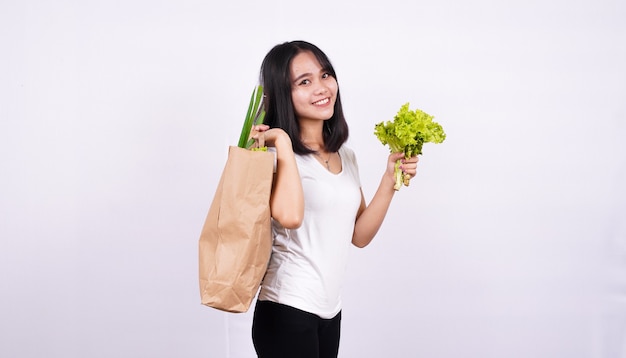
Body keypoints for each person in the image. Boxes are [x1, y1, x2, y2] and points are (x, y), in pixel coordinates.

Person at [249, 40, 418, 358]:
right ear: (284, 94)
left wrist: (389, 179)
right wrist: (284, 143)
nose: (322, 87)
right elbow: (289, 217)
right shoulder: (272, 155)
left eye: (325, 74)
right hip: (287, 308)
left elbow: (359, 235)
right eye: (304, 81)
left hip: (330, 312)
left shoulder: (345, 156)